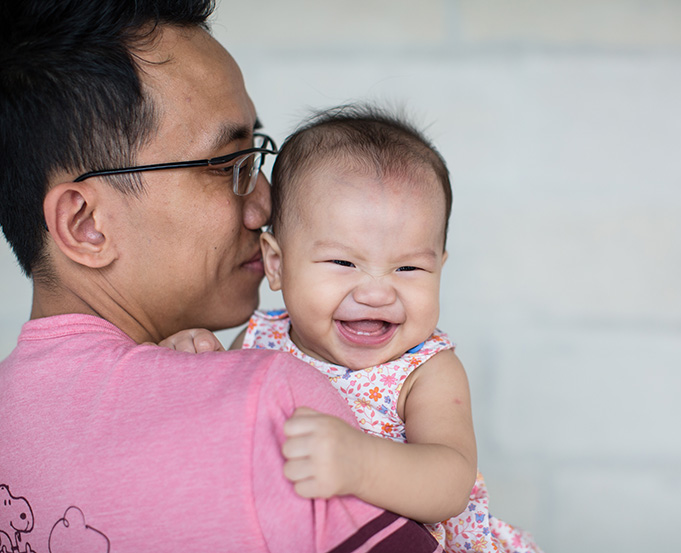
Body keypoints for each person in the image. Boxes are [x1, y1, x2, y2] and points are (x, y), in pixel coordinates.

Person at [0, 2, 442, 552]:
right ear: (86, 225)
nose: (264, 205)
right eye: (226, 165)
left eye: (257, 158)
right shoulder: (270, 401)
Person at [162, 106, 543, 553]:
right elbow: (220, 433)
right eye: (344, 263)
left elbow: (450, 482)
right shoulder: (257, 340)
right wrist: (191, 365)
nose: (377, 293)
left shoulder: (424, 369)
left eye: (409, 267)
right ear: (277, 263)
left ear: (440, 267)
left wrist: (360, 464)